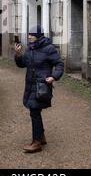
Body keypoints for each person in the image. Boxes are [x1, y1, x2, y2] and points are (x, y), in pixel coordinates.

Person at [14, 25, 64, 153]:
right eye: (29, 34)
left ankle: (36, 143)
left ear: (38, 35)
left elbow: (59, 64)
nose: (29, 36)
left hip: (42, 86)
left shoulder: (49, 48)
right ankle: (41, 137)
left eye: (32, 34)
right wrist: (18, 54)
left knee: (35, 111)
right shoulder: (30, 48)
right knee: (34, 111)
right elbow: (22, 64)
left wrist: (54, 76)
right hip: (30, 85)